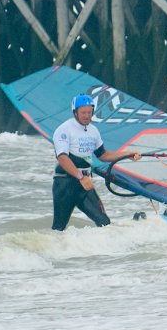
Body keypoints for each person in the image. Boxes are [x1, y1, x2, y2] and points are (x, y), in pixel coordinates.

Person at [51, 93, 143, 231]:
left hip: (84, 184)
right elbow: (62, 158)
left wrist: (126, 154)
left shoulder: (93, 130)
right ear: (75, 112)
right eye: (83, 112)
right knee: (59, 228)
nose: (87, 116)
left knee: (104, 223)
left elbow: (103, 155)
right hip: (65, 184)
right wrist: (80, 176)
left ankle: (101, 252)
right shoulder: (64, 130)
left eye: (89, 112)